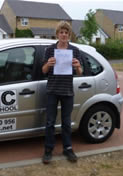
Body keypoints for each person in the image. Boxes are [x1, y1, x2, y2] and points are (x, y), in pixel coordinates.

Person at [42, 21, 82, 164]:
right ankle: (48, 150)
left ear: (69, 35)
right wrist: (49, 64)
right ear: (57, 34)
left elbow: (80, 72)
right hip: (52, 90)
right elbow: (43, 71)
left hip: (67, 91)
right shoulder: (50, 50)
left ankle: (68, 148)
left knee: (66, 123)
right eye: (61, 32)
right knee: (50, 122)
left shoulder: (75, 50)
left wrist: (77, 66)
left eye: (66, 32)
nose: (64, 35)